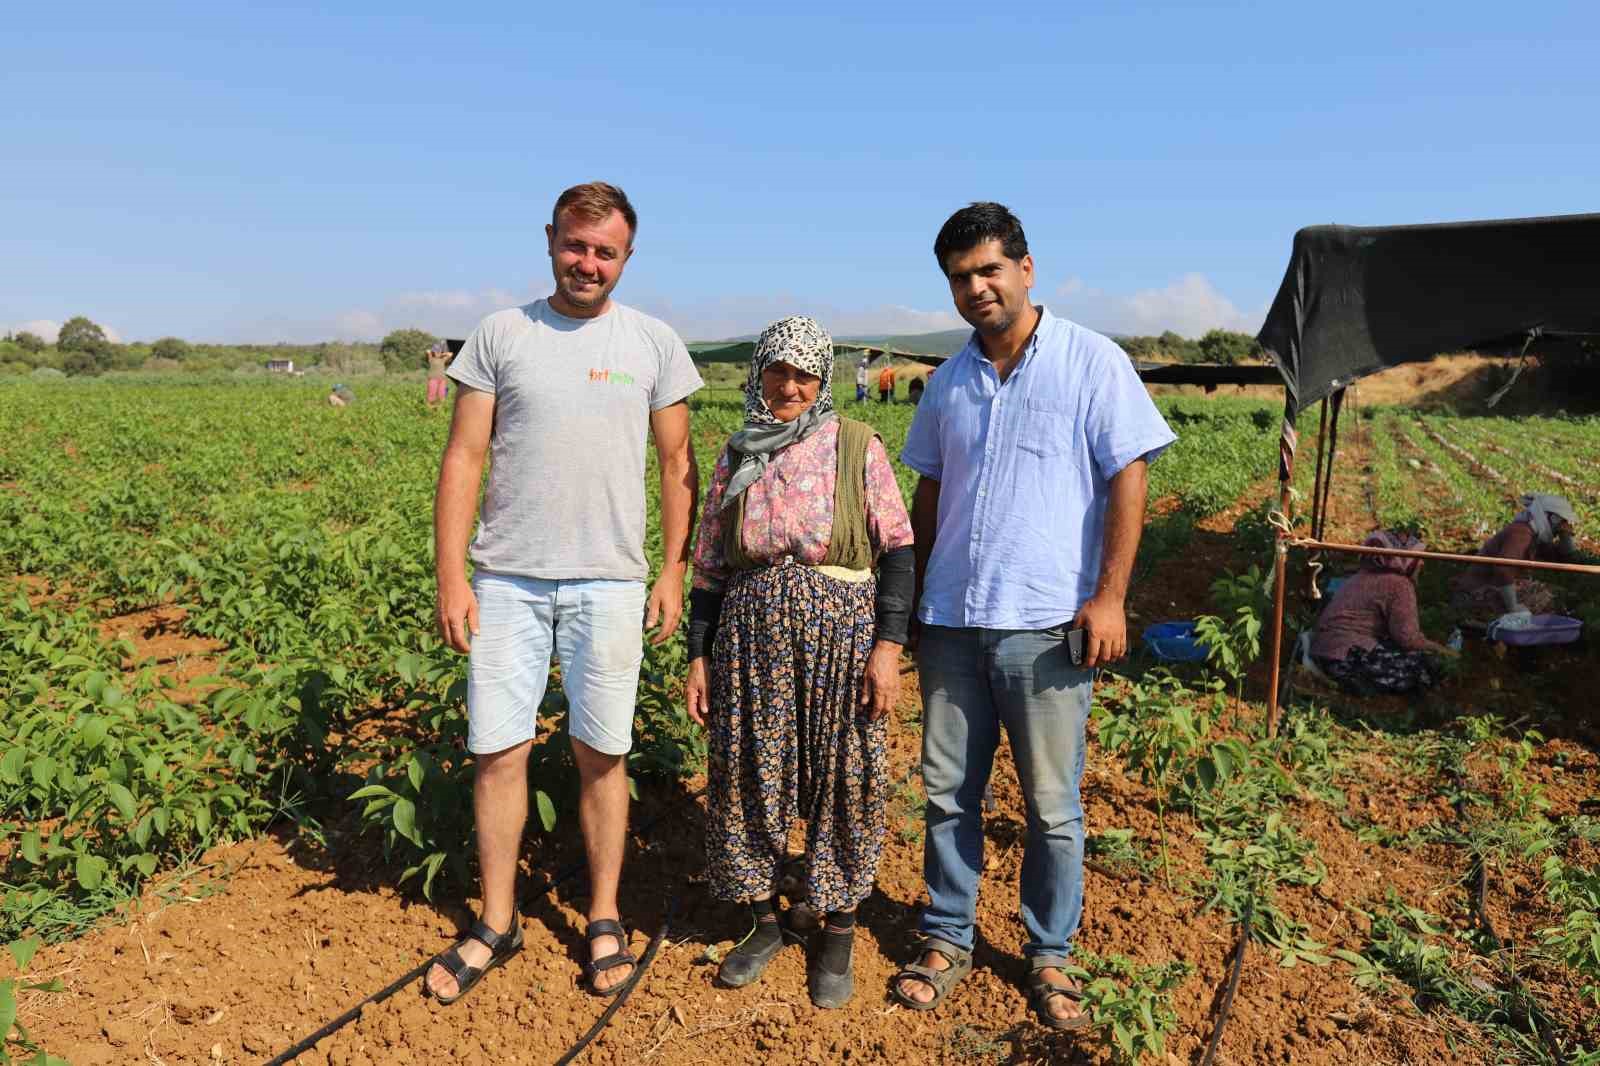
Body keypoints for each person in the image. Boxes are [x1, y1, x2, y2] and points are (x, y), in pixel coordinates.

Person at [891, 202, 1175, 1031]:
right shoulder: (948, 381)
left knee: (1052, 806)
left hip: (1048, 625)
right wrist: (911, 606)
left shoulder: (1092, 363)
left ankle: (1050, 954)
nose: (976, 288)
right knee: (947, 793)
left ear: (1026, 268)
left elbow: (1129, 476)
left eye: (988, 270)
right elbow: (930, 491)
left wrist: (1111, 596)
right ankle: (947, 934)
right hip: (951, 622)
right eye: (959, 278)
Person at [426, 181, 703, 1006]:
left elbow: (678, 465)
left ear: (626, 256)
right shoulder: (501, 334)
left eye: (605, 251)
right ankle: (497, 920)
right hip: (507, 577)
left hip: (610, 581)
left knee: (601, 753)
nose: (588, 263)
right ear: (551, 240)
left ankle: (605, 915)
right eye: (576, 246)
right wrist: (451, 574)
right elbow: (463, 459)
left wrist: (673, 567)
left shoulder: (653, 342)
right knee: (498, 752)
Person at [684, 316, 914, 1009]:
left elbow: (898, 550)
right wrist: (698, 657)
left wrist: (888, 649)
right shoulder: (738, 452)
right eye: (777, 371)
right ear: (758, 374)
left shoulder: (855, 445)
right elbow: (708, 569)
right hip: (750, 642)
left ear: (823, 379)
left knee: (845, 777)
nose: (789, 385)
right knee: (749, 773)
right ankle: (763, 922)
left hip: (842, 639)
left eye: (804, 373)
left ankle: (837, 926)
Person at [1311, 531, 1454, 694]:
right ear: (1403, 560)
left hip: (1322, 651)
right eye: (1417, 558)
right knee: (1428, 667)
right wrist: (1445, 653)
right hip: (1345, 659)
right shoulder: (1399, 584)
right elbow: (1408, 639)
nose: (1421, 563)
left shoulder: (1360, 576)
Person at [1452, 493, 1579, 621]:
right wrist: (1513, 607)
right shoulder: (1520, 534)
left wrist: (1565, 535)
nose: (1560, 526)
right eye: (1561, 521)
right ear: (1551, 518)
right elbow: (1503, 571)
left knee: (1556, 594)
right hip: (1475, 593)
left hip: (1490, 589)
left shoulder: (1531, 535)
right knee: (1551, 598)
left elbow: (1564, 557)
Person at [426, 341, 453, 407]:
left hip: (442, 379)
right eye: (436, 351)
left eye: (439, 351)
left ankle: (440, 408)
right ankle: (430, 408)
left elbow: (450, 354)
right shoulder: (431, 359)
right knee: (431, 395)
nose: (437, 352)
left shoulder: (443, 359)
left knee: (442, 395)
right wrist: (434, 352)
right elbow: (428, 351)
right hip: (433, 379)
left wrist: (442, 354)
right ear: (433, 352)